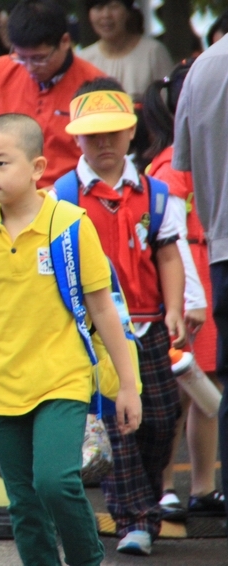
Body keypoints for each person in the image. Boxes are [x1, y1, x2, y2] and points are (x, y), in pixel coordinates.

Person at [0, 113, 141, 566]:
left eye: (2, 163)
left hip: (62, 379)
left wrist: (127, 385)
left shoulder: (69, 225)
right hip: (2, 386)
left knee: (55, 481)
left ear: (36, 167)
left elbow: (104, 309)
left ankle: (88, 559)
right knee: (23, 504)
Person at [60, 79, 186, 555]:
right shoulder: (63, 196)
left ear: (132, 131)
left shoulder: (153, 194)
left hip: (149, 326)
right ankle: (133, 518)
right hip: (95, 333)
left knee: (160, 417)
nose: (104, 143)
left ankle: (146, 502)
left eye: (113, 132)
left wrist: (175, 307)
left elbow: (169, 256)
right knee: (119, 424)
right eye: (93, 135)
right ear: (76, 138)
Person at [140, 60, 225, 522]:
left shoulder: (199, 158)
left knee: (204, 383)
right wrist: (188, 297)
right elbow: (169, 243)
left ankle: (202, 486)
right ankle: (161, 486)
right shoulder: (167, 169)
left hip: (207, 274)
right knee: (173, 390)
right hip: (187, 281)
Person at [172, 27, 228, 524]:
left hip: (219, 251)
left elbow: (186, 160)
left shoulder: (203, 67)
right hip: (202, 262)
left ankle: (217, 490)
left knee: (219, 383)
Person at [0, 0, 105, 188]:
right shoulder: (1, 70)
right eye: (22, 58)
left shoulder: (94, 86)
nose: (30, 68)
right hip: (5, 194)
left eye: (39, 59)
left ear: (64, 42)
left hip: (68, 198)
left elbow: (105, 161)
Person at [78, 0, 173, 100]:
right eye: (98, 8)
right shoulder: (83, 59)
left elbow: (168, 103)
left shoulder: (153, 52)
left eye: (113, 6)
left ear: (128, 12)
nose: (106, 15)